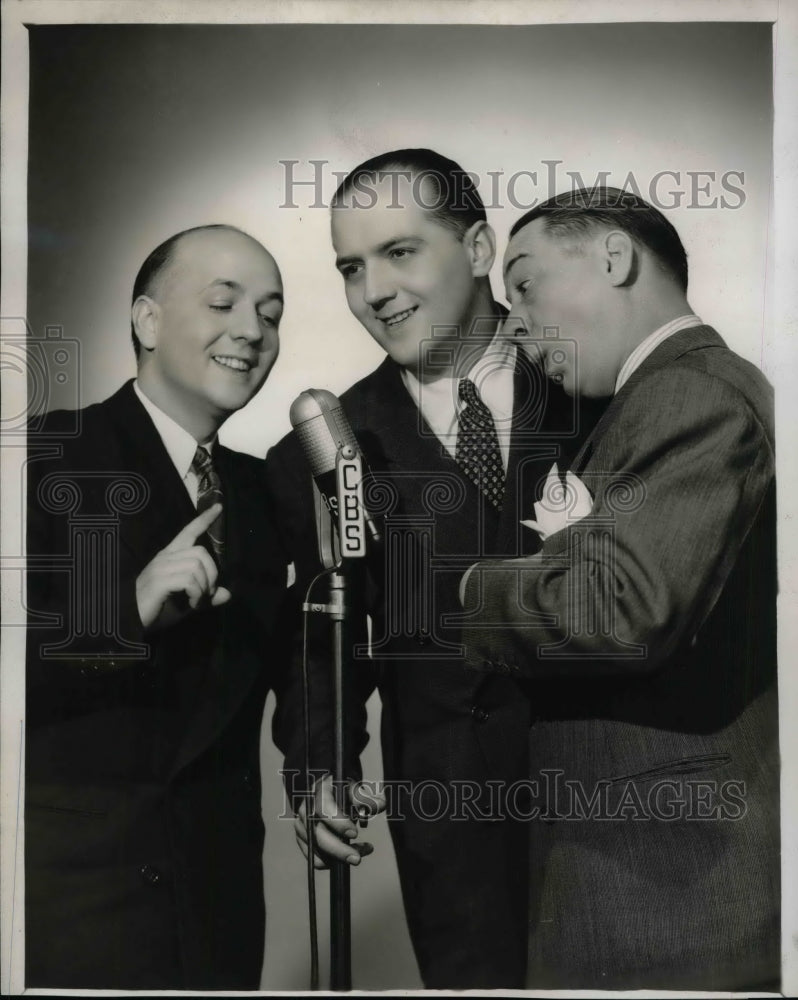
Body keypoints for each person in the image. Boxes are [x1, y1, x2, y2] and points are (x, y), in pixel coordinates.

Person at [267, 149, 604, 988]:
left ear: (482, 249)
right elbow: (321, 648)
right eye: (351, 266)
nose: (373, 289)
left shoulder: (597, 387)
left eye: (400, 251)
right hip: (454, 836)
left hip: (618, 808)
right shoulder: (323, 447)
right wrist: (320, 774)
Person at [460, 187, 779, 990]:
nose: (515, 320)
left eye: (526, 284)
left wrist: (461, 591)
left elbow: (622, 608)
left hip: (671, 897)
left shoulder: (690, 393)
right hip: (647, 883)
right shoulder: (660, 399)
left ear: (615, 257)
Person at [25, 224, 294, 989]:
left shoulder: (266, 491)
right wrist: (128, 606)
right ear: (146, 321)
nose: (253, 331)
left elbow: (291, 666)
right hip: (75, 905)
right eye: (224, 303)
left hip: (217, 908)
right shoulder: (45, 456)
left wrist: (320, 764)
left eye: (271, 314)